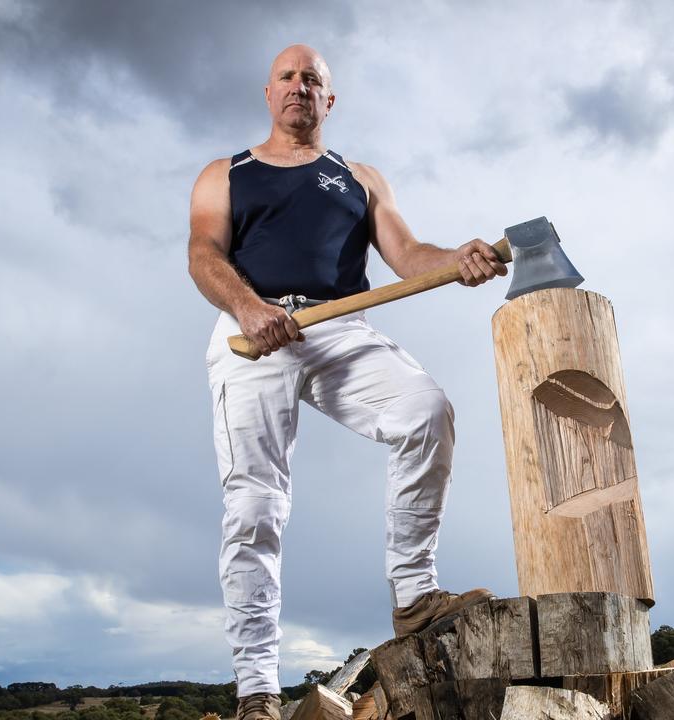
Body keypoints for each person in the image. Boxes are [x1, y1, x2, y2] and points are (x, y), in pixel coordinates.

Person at [187, 43, 502, 720]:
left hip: (338, 324)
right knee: (255, 508)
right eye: (288, 77)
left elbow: (410, 255)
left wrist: (458, 258)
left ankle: (415, 598)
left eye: (314, 80)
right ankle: (258, 694)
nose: (300, 86)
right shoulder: (225, 174)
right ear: (269, 93)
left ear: (329, 101)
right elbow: (203, 253)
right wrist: (247, 306)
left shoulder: (360, 179)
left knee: (426, 409)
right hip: (251, 333)